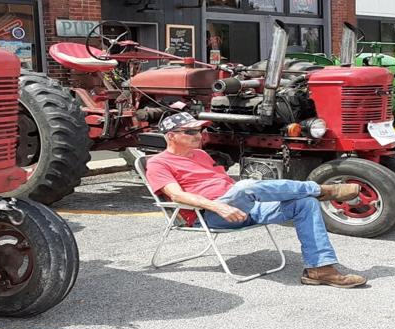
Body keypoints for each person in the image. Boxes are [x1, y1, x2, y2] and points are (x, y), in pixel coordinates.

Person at [144, 113, 370, 287]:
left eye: (199, 131)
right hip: (211, 215)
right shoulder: (159, 163)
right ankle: (319, 189)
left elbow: (225, 185)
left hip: (243, 208)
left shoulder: (201, 155)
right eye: (190, 132)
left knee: (305, 203)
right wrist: (219, 206)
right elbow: (176, 195)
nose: (198, 136)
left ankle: (320, 270)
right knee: (246, 185)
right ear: (171, 136)